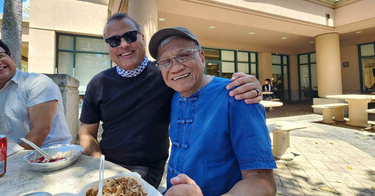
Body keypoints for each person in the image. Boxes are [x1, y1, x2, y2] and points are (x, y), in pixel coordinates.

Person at [78, 13, 263, 188]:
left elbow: (199, 81)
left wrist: (249, 85)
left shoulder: (165, 75)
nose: (123, 44)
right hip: (105, 164)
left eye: (130, 36)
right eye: (114, 40)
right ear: (108, 46)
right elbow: (86, 132)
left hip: (146, 168)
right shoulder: (98, 83)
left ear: (142, 37)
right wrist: (100, 165)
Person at [149, 27, 277, 196]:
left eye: (184, 55)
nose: (176, 68)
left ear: (201, 58)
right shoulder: (174, 95)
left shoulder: (236, 95)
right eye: (166, 61)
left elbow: (262, 182)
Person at [0, 34, 71, 148]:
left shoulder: (38, 83)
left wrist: (9, 162)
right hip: (2, 161)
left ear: (11, 58)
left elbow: (40, 132)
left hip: (51, 157)